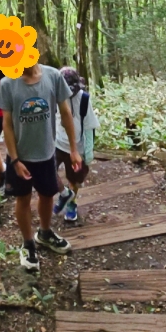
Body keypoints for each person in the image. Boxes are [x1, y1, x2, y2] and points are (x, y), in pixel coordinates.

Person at [0, 61, 81, 271]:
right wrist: (15, 160)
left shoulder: (53, 76)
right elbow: (7, 124)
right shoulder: (7, 83)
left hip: (46, 153)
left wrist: (73, 149)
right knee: (22, 198)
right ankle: (28, 243)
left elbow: (66, 113)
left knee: (47, 194)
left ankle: (44, 233)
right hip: (21, 156)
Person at [53, 67, 99, 223]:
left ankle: (71, 204)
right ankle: (64, 193)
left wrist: (88, 152)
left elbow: (88, 127)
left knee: (75, 179)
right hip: (57, 143)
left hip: (77, 148)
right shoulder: (55, 96)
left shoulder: (84, 99)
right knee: (47, 171)